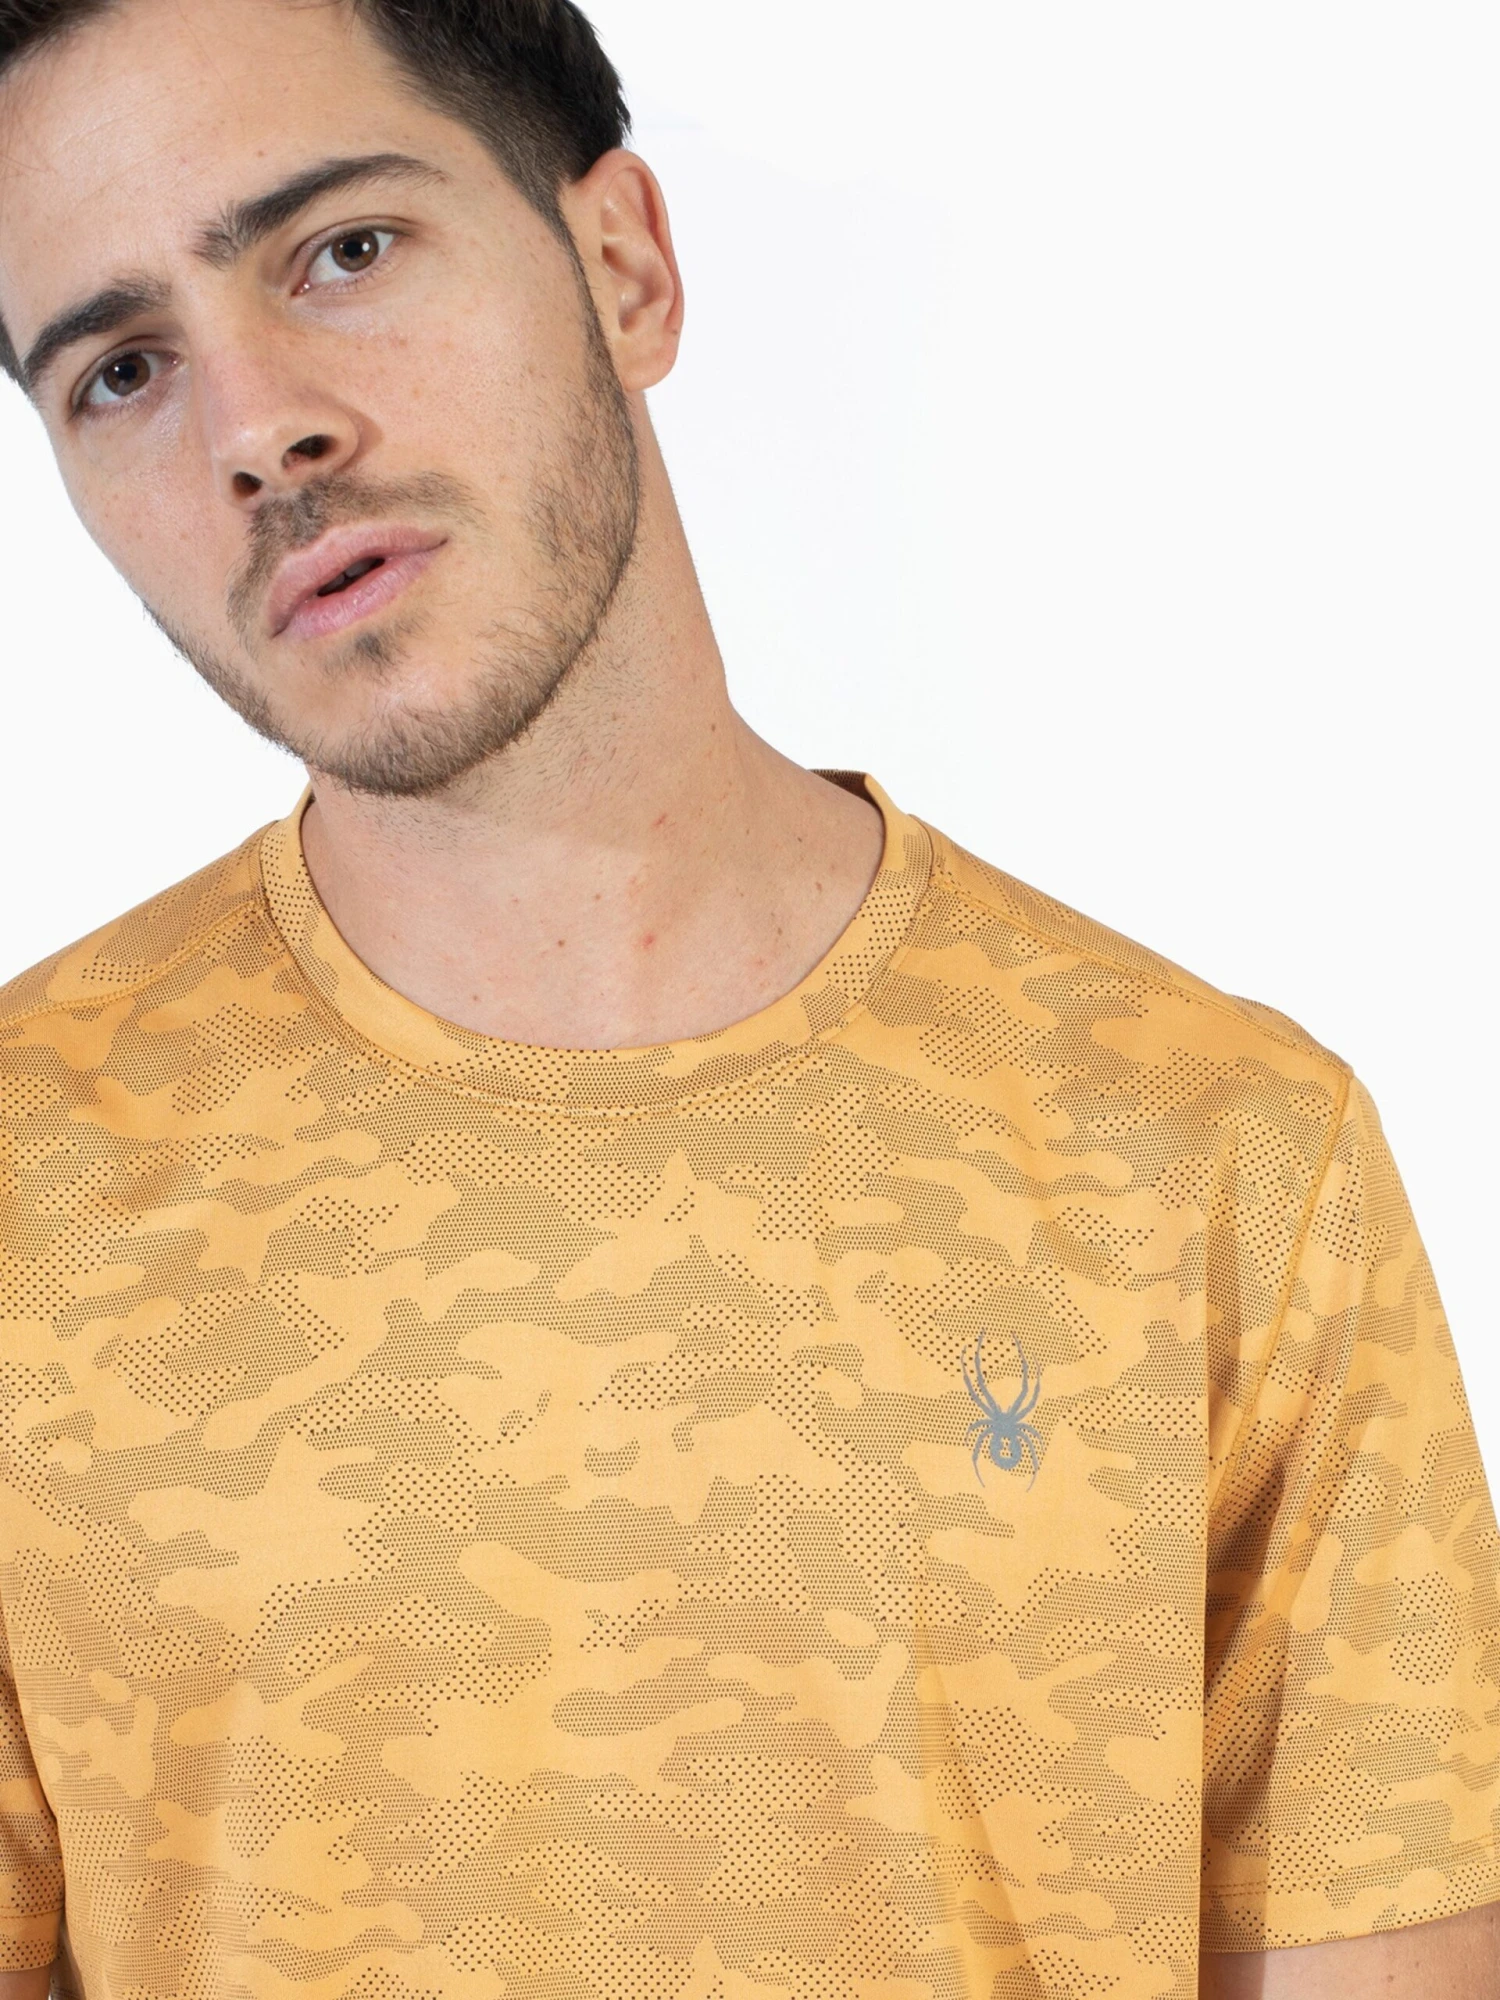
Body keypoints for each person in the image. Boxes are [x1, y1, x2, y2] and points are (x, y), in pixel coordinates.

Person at [0, 2, 1495, 1996]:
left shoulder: (1218, 1158)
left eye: (343, 250)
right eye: (120, 368)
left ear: (626, 266)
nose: (256, 429)